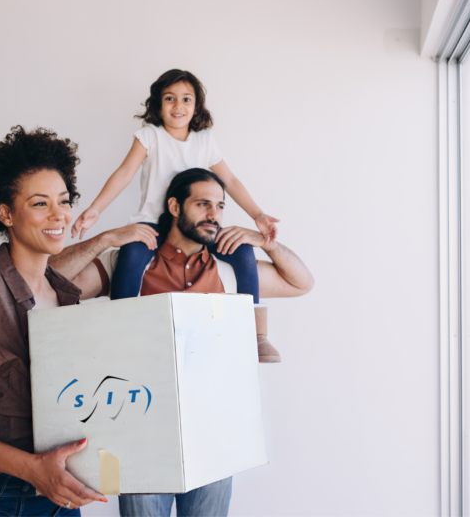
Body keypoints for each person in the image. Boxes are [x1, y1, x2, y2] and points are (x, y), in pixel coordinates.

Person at [0, 126, 157, 517]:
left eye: (64, 201)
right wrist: (33, 469)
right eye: (40, 204)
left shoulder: (64, 296)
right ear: (5, 213)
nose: (59, 214)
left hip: (58, 494)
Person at [48, 168, 313, 517]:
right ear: (174, 206)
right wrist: (104, 240)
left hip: (215, 431)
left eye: (219, 206)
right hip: (141, 433)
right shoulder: (132, 263)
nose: (214, 215)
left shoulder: (229, 270)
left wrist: (267, 242)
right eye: (203, 204)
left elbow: (301, 283)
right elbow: (49, 280)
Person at [68, 69, 284, 361]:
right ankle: (120, 331)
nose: (178, 106)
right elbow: (124, 173)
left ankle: (256, 335)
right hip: (153, 225)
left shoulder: (205, 140)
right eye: (169, 99)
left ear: (196, 107)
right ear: (158, 105)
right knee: (130, 257)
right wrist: (95, 210)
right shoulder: (150, 136)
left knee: (243, 251)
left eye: (186, 99)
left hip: (197, 226)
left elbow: (230, 181)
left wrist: (258, 215)